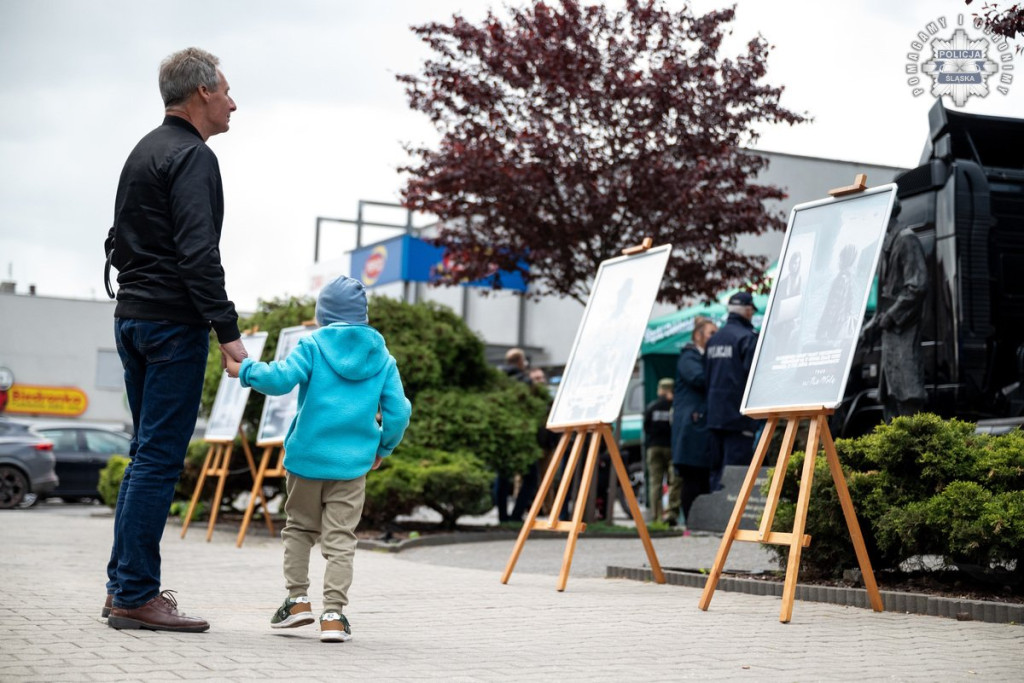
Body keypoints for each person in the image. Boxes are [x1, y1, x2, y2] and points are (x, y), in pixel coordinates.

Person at [103, 47, 245, 633]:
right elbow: (197, 252)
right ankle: (135, 593)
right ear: (203, 93)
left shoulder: (144, 150)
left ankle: (122, 587)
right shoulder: (192, 156)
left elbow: (121, 239)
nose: (234, 103)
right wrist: (228, 332)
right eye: (227, 91)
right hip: (170, 324)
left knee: (145, 456)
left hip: (132, 317)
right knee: (159, 461)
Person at [226, 275, 411, 643]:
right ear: (363, 316)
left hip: (307, 460)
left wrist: (244, 370)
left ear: (323, 315)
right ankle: (334, 616)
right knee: (341, 538)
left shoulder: (312, 345)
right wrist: (382, 449)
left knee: (299, 529)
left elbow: (280, 380)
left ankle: (296, 602)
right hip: (352, 466)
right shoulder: (383, 358)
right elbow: (400, 412)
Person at [860, 199, 927, 421]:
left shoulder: (906, 240)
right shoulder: (888, 243)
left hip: (904, 340)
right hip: (891, 345)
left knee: (908, 405)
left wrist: (890, 316)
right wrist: (872, 325)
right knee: (891, 406)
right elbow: (886, 297)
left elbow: (917, 287)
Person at [705, 292, 759, 492]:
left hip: (714, 417)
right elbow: (753, 378)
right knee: (735, 476)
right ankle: (730, 512)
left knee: (716, 472)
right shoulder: (747, 338)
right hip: (739, 419)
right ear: (748, 311)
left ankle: (715, 511)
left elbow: (706, 377)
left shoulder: (713, 340)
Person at [671, 316, 718, 529]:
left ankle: (701, 523)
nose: (715, 338)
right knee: (692, 476)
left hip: (700, 427)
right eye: (711, 333)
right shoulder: (689, 358)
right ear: (698, 336)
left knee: (702, 476)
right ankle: (692, 523)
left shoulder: (700, 357)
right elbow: (699, 379)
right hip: (692, 429)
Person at [495, 347, 531, 521]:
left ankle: (502, 516)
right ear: (520, 361)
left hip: (501, 433)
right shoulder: (525, 381)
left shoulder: (497, 380)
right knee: (531, 477)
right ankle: (517, 515)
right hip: (523, 434)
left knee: (502, 476)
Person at [643, 378, 675, 524]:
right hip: (670, 447)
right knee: (673, 481)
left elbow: (646, 427)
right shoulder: (674, 407)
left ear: (660, 390)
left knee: (655, 483)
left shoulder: (652, 407)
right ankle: (671, 514)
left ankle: (656, 517)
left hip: (653, 447)